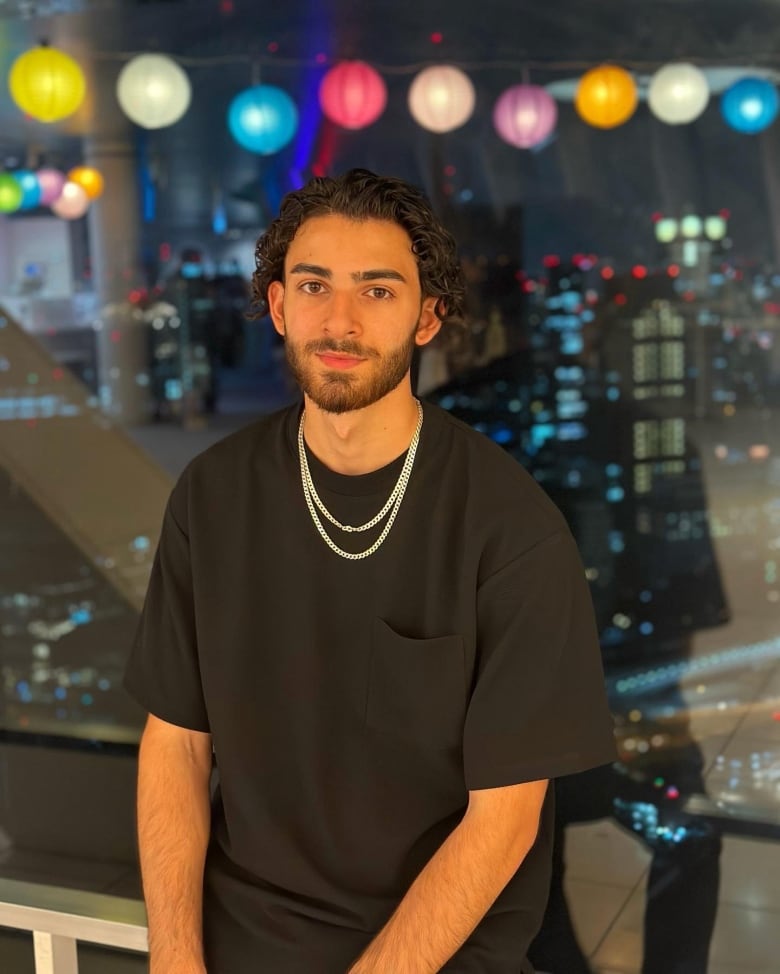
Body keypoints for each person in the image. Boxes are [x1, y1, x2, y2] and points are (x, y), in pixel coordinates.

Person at [123, 168, 616, 974]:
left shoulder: (509, 526)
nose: (340, 321)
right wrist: (174, 959)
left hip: (441, 957)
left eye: (378, 292)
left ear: (428, 318)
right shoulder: (212, 495)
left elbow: (505, 821)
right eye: (314, 286)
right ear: (280, 306)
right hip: (246, 944)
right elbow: (176, 744)